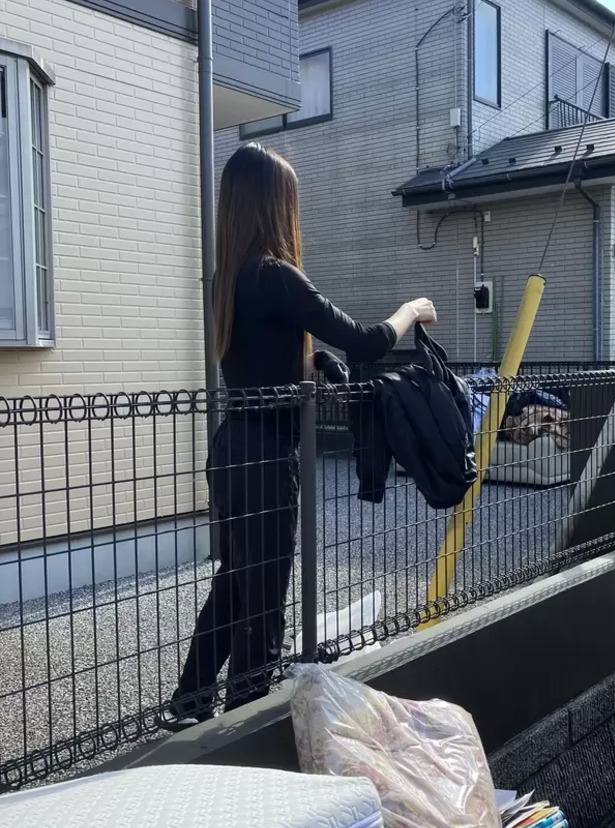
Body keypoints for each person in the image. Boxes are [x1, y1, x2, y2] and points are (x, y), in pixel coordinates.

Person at [158, 143, 436, 731]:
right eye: (290, 198)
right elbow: (366, 340)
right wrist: (411, 310)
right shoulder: (275, 276)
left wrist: (317, 364)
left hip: (231, 449)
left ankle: (189, 705)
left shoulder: (228, 279)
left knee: (235, 585)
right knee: (264, 606)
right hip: (266, 459)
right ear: (272, 204)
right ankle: (245, 726)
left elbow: (264, 361)